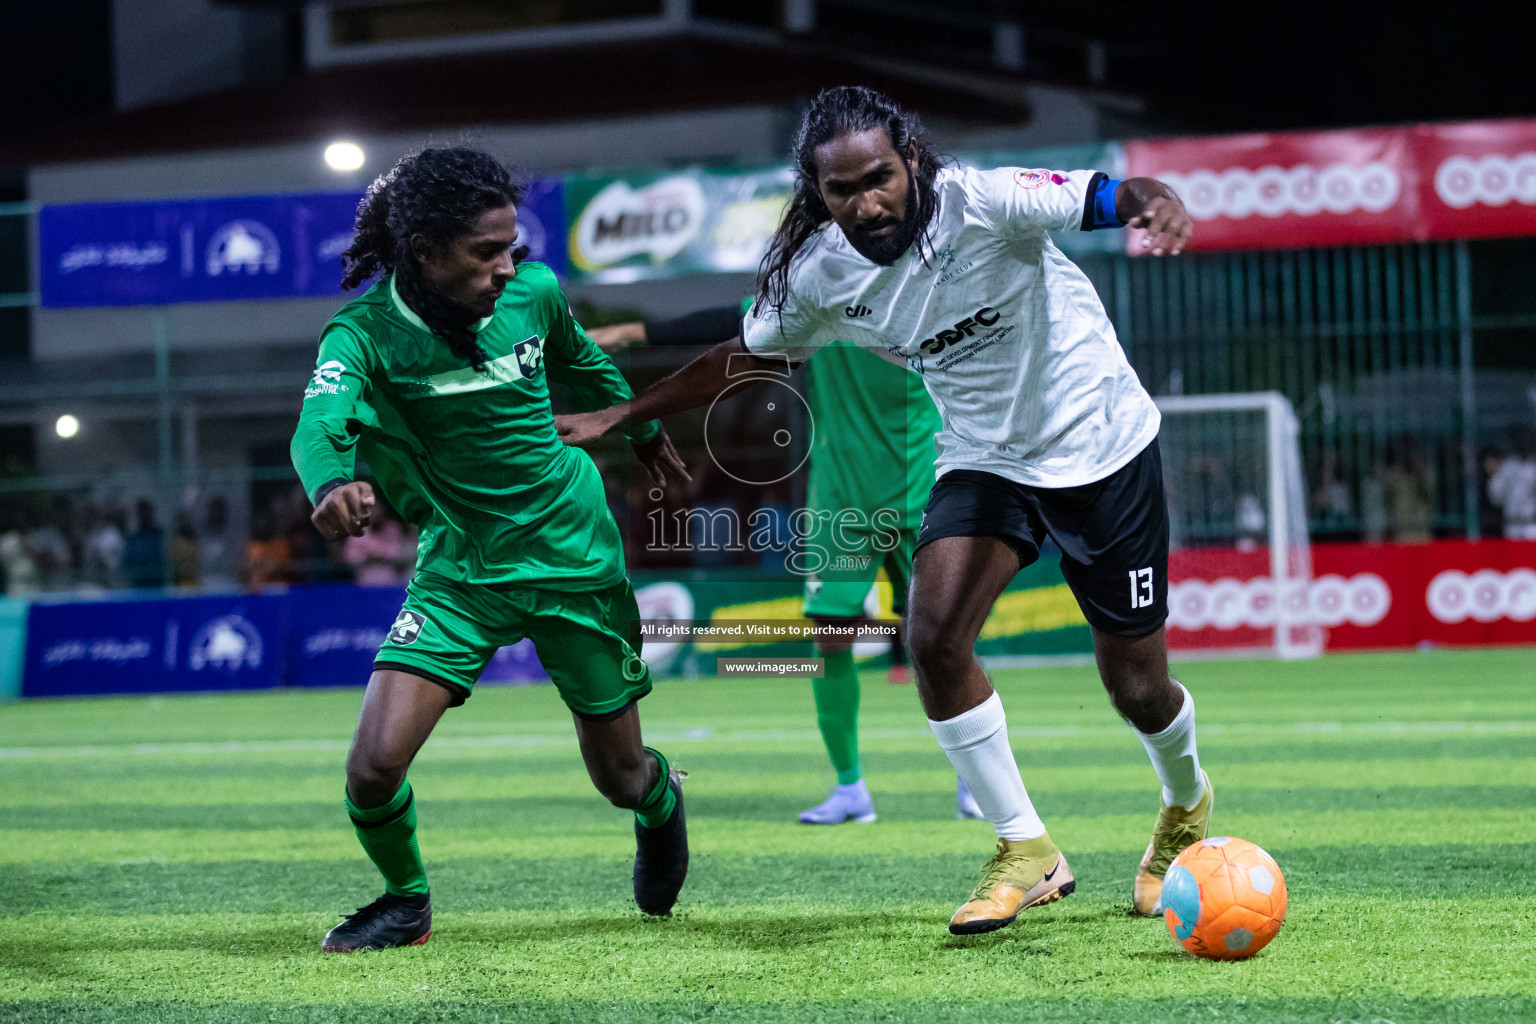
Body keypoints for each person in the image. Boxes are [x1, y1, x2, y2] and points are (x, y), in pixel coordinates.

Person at [557, 86, 1210, 933]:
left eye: (880, 178)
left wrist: (1158, 202)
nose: (867, 202)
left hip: (1103, 446)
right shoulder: (820, 272)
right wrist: (623, 413)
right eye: (842, 190)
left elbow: (1103, 195)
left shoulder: (984, 202)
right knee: (934, 639)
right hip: (986, 459)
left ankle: (1184, 807)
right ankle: (1027, 848)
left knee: (1138, 687)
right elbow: (738, 353)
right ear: (815, 191)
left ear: (911, 158)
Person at [290, 146, 692, 953]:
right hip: (461, 569)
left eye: (513, 247)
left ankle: (660, 801)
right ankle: (406, 902)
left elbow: (583, 363)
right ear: (427, 252)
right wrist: (330, 483)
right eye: (487, 251)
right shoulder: (366, 336)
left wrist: (645, 434)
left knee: (617, 779)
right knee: (372, 767)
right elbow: (319, 422)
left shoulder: (536, 294)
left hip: (572, 556)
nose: (510, 266)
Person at [592, 309, 983, 824]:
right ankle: (850, 790)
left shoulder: (912, 292)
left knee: (948, 643)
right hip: (842, 499)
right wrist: (634, 329)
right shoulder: (817, 292)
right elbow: (739, 321)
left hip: (928, 485)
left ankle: (976, 783)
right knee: (830, 640)